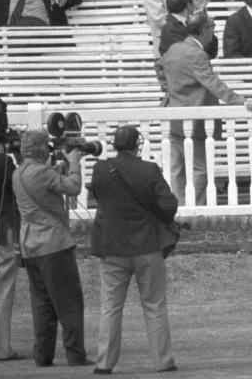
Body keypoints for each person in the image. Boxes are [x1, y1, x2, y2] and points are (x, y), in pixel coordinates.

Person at [89, 126, 178, 375]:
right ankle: (163, 361)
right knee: (154, 306)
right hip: (147, 245)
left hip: (112, 245)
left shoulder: (100, 169)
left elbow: (96, 196)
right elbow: (168, 204)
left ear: (115, 144)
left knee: (111, 307)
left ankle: (104, 363)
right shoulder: (149, 169)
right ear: (136, 145)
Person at [161, 12, 252, 206]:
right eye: (212, 29)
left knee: (177, 167)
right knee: (200, 169)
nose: (213, 35)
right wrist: (240, 100)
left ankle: (178, 208)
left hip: (173, 115)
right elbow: (212, 83)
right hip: (195, 117)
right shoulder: (197, 54)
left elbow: (160, 68)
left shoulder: (172, 49)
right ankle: (193, 209)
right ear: (204, 31)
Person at [11, 130, 91, 367]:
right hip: (53, 244)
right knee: (69, 302)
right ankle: (75, 354)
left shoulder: (19, 173)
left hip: (30, 244)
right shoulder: (43, 173)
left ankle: (43, 355)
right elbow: (74, 187)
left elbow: (43, 187)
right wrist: (75, 164)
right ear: (40, 149)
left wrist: (58, 169)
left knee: (42, 304)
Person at [0, 122, 22, 361]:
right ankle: (1, 348)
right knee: (4, 290)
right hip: (2, 229)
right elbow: (19, 188)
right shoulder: (3, 163)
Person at [156, 0, 219, 90]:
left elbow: (212, 50)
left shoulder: (185, 24)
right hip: (183, 88)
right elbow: (196, 55)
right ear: (189, 5)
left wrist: (202, 17)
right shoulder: (171, 29)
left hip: (195, 82)